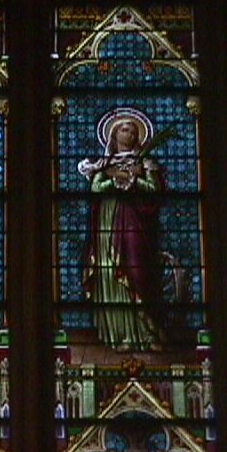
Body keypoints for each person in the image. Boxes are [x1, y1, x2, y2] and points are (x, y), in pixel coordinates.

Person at [78, 112, 164, 352]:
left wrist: (134, 179)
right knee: (108, 273)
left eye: (134, 131)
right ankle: (119, 335)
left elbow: (154, 190)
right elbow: (95, 189)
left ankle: (146, 333)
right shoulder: (104, 164)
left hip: (134, 222)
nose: (130, 134)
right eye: (125, 129)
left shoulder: (145, 163)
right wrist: (114, 177)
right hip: (107, 221)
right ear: (114, 135)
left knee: (135, 270)